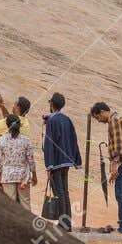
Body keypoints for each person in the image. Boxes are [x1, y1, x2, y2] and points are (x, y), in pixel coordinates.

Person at [91, 101, 122, 234]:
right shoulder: (117, 119)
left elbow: (118, 145)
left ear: (102, 112)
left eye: (98, 118)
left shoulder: (114, 121)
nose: (99, 121)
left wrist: (115, 165)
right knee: (121, 194)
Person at [41, 92, 82, 231]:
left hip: (56, 162)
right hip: (66, 162)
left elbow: (49, 143)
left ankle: (63, 223)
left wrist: (49, 165)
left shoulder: (52, 121)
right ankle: (67, 222)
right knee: (64, 191)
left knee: (59, 192)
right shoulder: (67, 119)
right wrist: (76, 159)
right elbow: (73, 139)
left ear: (51, 104)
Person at [0, 114, 37, 210]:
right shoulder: (26, 141)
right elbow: (31, 160)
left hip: (7, 175)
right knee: (26, 203)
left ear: (7, 125)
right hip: (23, 176)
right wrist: (34, 175)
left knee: (9, 205)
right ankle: (28, 224)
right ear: (19, 124)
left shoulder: (0, 141)